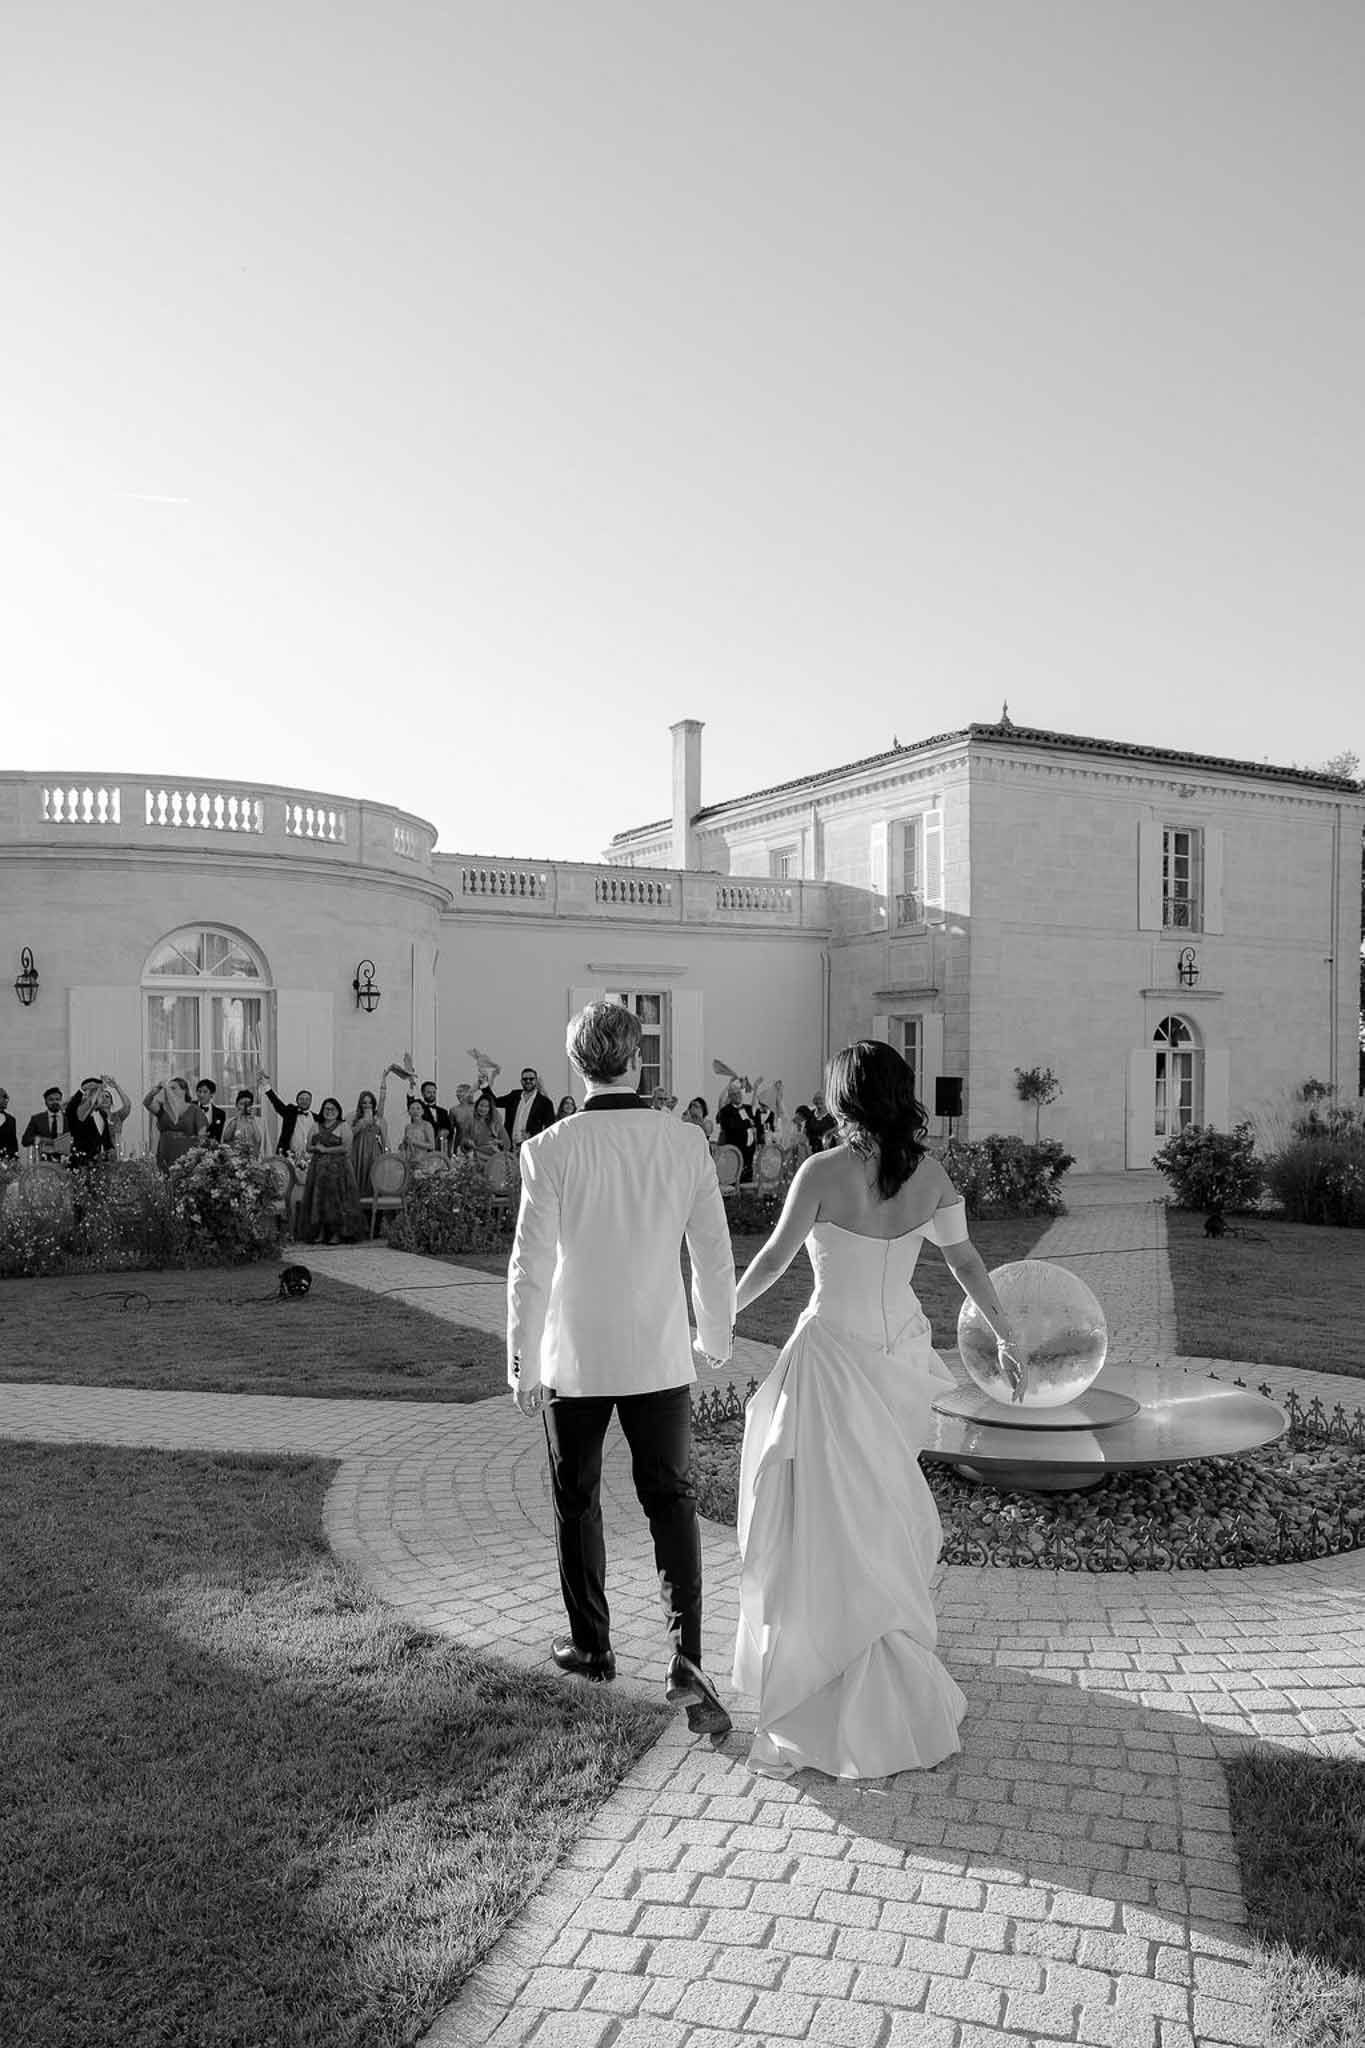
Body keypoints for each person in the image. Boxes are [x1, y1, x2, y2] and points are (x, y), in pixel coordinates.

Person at [730, 1039, 1023, 1782]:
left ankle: (828, 1659)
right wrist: (1003, 1332)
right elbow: (963, 1263)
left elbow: (771, 1258)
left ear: (842, 1097)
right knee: (881, 1513)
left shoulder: (821, 1171)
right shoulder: (928, 1174)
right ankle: (879, 1648)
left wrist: (717, 1316)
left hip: (831, 1357)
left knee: (825, 1518)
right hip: (894, 1357)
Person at [508, 1001, 737, 1736]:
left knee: (576, 1500)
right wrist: (717, 1337)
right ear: (637, 1060)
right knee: (671, 1501)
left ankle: (592, 1646)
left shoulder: (549, 1147)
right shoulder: (683, 1141)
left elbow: (529, 1267)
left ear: (577, 1066)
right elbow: (711, 1250)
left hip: (573, 1355)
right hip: (657, 1350)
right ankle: (687, 1656)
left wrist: (522, 1358)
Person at [298, 1098, 364, 1243]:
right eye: (326, 1109)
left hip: (338, 1170)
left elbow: (346, 1148)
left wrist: (326, 1149)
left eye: (333, 1109)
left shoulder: (343, 1126)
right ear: (322, 1110)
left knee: (335, 1201)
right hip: (318, 1170)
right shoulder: (316, 1125)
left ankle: (336, 1233)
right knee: (318, 1200)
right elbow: (308, 1147)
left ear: (338, 1111)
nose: (329, 1112)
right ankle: (320, 1232)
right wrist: (316, 1148)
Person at [143, 1078, 199, 1171]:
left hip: (186, 1153)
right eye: (168, 1088)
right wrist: (155, 1090)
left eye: (173, 1088)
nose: (169, 1090)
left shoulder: (194, 1109)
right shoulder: (162, 1108)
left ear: (184, 1090)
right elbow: (147, 1102)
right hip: (166, 1150)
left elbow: (201, 1134)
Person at [494, 1066, 557, 1150]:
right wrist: (484, 1086)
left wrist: (535, 1137)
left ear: (536, 1081)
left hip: (531, 1147)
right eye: (525, 1079)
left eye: (531, 1079)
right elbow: (494, 1102)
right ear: (521, 1081)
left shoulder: (545, 1102)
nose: (528, 1081)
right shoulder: (514, 1096)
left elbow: (550, 1128)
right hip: (509, 1147)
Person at [351, 1076, 395, 1195]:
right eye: (364, 1102)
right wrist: (361, 1123)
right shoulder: (354, 1117)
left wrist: (384, 1080)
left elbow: (382, 1100)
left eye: (370, 1102)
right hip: (357, 1150)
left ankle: (374, 1207)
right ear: (360, 1104)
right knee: (357, 1176)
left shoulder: (377, 1117)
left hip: (373, 1150)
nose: (367, 1105)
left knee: (373, 1174)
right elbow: (350, 1135)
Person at [716, 1078, 762, 1183]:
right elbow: (731, 1128)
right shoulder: (726, 1111)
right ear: (730, 1096)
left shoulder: (747, 1108)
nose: (738, 1096)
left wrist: (756, 1088)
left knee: (748, 1179)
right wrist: (747, 1124)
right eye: (735, 1094)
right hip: (735, 1151)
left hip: (750, 1152)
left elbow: (755, 1118)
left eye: (739, 1093)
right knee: (735, 1180)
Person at [259, 1074, 315, 1159]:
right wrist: (266, 1085)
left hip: (310, 1157)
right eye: (301, 1099)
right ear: (297, 1101)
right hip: (289, 1156)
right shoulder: (290, 1112)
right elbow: (276, 1103)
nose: (304, 1101)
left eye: (307, 1099)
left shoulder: (316, 1117)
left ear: (311, 1101)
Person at [67, 1076, 118, 1161]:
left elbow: (106, 1139)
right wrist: (82, 1091)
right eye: (96, 1091)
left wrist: (111, 1149)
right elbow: (70, 1109)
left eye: (100, 1091)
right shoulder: (76, 1112)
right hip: (82, 1162)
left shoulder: (103, 1114)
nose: (100, 1095)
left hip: (102, 1164)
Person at [22, 1087, 70, 1161]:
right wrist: (40, 1139)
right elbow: (25, 1140)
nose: (55, 1102)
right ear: (45, 1102)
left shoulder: (68, 1118)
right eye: (51, 1100)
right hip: (43, 1161)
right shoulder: (37, 1119)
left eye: (57, 1099)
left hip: (65, 1160)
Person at [406, 1079, 453, 1152]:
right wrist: (411, 1087)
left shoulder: (443, 1112)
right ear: (422, 1093)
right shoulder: (419, 1108)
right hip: (421, 1148)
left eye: (434, 1092)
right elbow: (411, 1102)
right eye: (429, 1092)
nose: (432, 1094)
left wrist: (445, 1132)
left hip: (439, 1150)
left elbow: (449, 1129)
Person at [222, 1088, 264, 1158]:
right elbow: (226, 1138)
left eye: (248, 1104)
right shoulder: (231, 1121)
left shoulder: (258, 1122)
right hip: (235, 1159)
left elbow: (258, 1140)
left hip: (253, 1159)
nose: (245, 1107)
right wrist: (237, 1118)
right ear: (236, 1105)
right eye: (241, 1104)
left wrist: (252, 1121)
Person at [468, 1093, 510, 1157]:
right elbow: (464, 1141)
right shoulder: (471, 1121)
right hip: (475, 1157)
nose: (483, 1109)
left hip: (491, 1158)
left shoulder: (496, 1123)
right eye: (481, 1105)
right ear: (476, 1106)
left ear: (490, 1109)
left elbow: (507, 1143)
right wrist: (468, 1143)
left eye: (486, 1106)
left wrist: (498, 1142)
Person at [398, 1098, 437, 1164]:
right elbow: (405, 1144)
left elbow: (432, 1146)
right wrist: (402, 1145)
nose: (415, 1111)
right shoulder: (408, 1126)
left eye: (418, 1108)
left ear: (422, 1111)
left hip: (423, 1160)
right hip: (409, 1160)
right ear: (409, 1112)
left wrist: (414, 1142)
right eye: (412, 1109)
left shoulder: (427, 1125)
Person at [193, 1079, 227, 1143]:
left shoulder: (220, 1114)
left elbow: (220, 1136)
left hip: (211, 1150)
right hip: (191, 1148)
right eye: (199, 1091)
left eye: (205, 1092)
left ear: (212, 1094)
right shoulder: (190, 1107)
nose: (201, 1095)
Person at [0, 1087, 17, 1161]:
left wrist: (14, 1160)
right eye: (4, 1097)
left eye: (7, 1097)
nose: (7, 1100)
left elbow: (13, 1145)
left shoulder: (11, 1120)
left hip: (4, 1164)